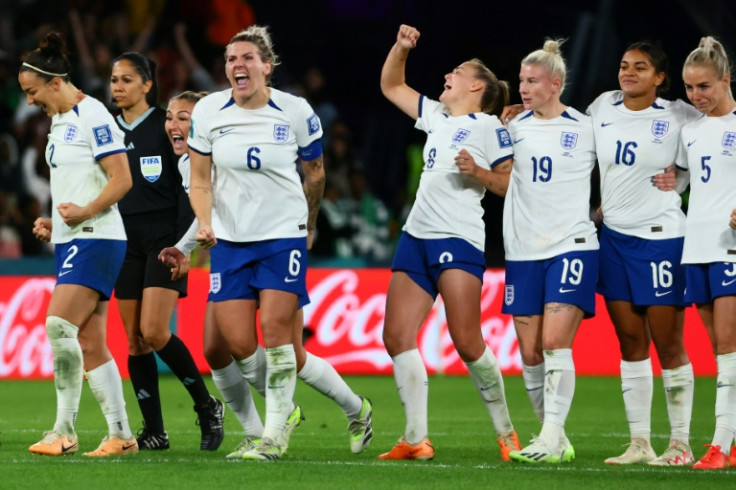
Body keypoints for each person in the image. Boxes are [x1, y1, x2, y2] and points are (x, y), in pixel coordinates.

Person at [159, 89, 373, 459]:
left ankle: (352, 410)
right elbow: (206, 210)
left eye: (184, 117)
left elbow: (292, 178)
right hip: (231, 251)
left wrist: (187, 246)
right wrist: (186, 246)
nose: (175, 126)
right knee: (220, 346)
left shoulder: (234, 141)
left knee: (292, 353)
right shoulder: (188, 163)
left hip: (275, 244)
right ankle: (262, 428)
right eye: (170, 117)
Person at [377, 24, 519, 462]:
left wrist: (478, 172)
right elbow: (391, 84)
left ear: (477, 85)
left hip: (457, 238)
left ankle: (507, 433)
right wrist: (401, 47)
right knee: (396, 334)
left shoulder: (490, 127)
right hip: (415, 236)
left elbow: (509, 183)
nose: (447, 76)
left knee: (466, 340)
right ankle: (416, 438)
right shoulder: (437, 116)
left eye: (456, 72)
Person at [19, 32, 138, 457]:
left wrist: (85, 213)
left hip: (99, 237)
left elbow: (123, 179)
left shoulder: (95, 116)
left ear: (55, 82)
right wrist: (58, 223)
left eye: (32, 92)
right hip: (74, 239)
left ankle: (63, 430)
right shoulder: (59, 119)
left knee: (58, 325)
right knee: (89, 342)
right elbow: (80, 182)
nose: (30, 101)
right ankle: (121, 435)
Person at [585, 41, 701, 466]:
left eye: (640, 67)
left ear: (660, 78)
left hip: (661, 238)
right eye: (623, 65)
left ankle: (681, 444)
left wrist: (683, 179)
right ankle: (639, 443)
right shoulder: (601, 107)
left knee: (669, 345)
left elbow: (712, 142)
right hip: (613, 238)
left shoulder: (679, 114)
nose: (628, 72)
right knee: (630, 342)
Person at [485, 39, 598, 464]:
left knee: (554, 343)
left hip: (572, 244)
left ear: (556, 83)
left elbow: (622, 170)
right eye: (521, 80)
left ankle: (549, 440)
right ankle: (553, 438)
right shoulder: (512, 126)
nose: (524, 87)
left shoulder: (585, 127)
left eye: (532, 81)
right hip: (522, 251)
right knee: (530, 353)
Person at [110, 52, 224, 451]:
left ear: (146, 84)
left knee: (155, 331)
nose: (117, 88)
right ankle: (154, 431)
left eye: (126, 80)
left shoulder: (166, 124)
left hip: (166, 240)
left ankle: (207, 405)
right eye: (113, 80)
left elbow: (188, 187)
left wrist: (184, 245)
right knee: (134, 340)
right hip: (124, 240)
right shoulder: (106, 130)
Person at [678, 36, 736, 470]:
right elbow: (682, 180)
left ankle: (719, 445)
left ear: (726, 80)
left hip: (730, 246)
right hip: (695, 246)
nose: (696, 96)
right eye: (690, 88)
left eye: (704, 87)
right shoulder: (691, 131)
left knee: (729, 347)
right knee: (721, 351)